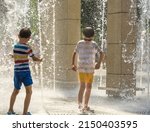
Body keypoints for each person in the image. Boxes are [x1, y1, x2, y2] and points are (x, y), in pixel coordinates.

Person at [7, 28, 42, 115]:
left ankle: (10, 110)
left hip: (17, 72)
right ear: (29, 38)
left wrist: (12, 56)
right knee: (29, 92)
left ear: (19, 36)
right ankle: (24, 113)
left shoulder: (15, 46)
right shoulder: (27, 47)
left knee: (15, 90)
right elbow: (33, 58)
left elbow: (15, 56)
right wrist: (40, 59)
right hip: (25, 72)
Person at [72, 27, 103, 114]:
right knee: (88, 87)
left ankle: (80, 105)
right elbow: (101, 53)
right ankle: (85, 105)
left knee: (82, 86)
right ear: (93, 35)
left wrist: (73, 64)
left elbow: (74, 53)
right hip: (90, 69)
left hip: (81, 68)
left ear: (83, 34)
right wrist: (99, 63)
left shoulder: (80, 43)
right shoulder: (94, 44)